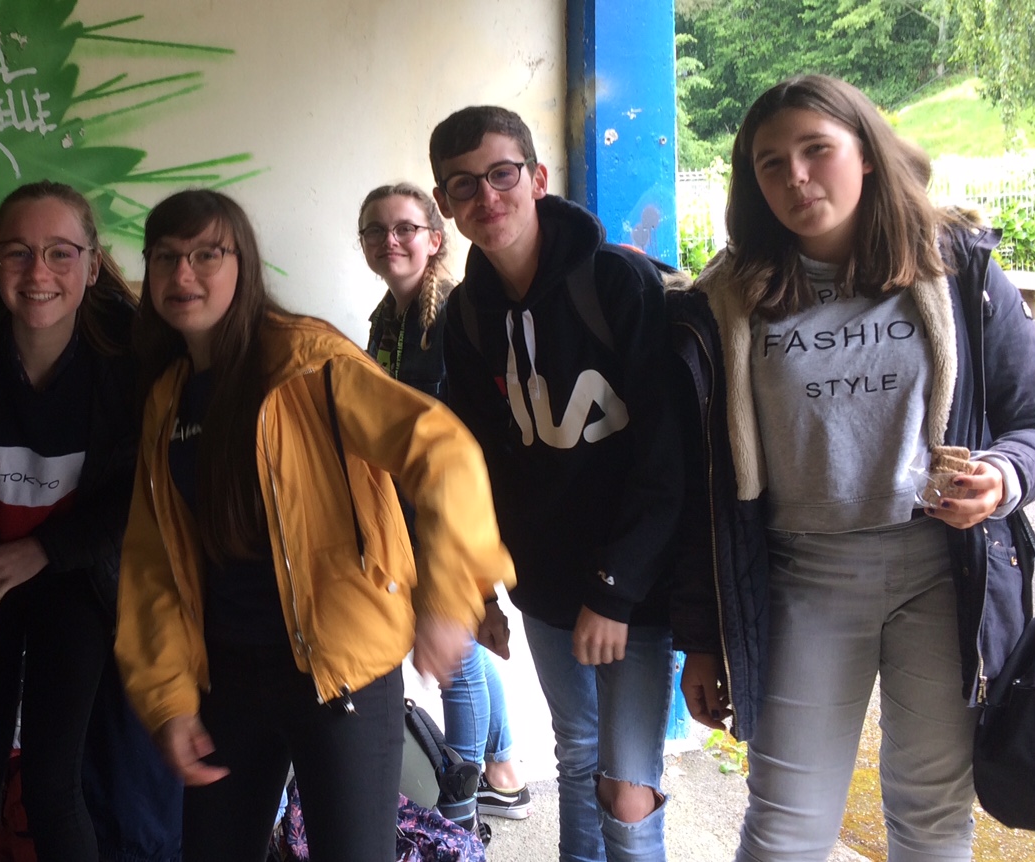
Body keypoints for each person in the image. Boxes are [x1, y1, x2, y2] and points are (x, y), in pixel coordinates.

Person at [673, 74, 1035, 862]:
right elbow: (703, 491)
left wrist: (1004, 477)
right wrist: (701, 636)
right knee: (785, 827)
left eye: (817, 150)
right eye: (771, 163)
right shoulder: (727, 301)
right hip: (803, 577)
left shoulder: (960, 270)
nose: (796, 177)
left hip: (943, 573)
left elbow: (1029, 416)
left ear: (867, 153)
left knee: (932, 817)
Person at [114, 188, 515, 862]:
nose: (183, 273)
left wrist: (449, 600)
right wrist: (169, 699)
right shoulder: (167, 396)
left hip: (341, 673)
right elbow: (152, 562)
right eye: (166, 257)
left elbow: (443, 452)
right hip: (227, 677)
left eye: (207, 254)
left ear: (242, 264)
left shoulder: (308, 364)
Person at [428, 105, 682, 862]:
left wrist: (615, 590)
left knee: (627, 787)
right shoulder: (467, 316)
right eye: (464, 184)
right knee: (577, 755)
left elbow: (668, 454)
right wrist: (478, 588)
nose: (487, 196)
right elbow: (474, 465)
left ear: (537, 178)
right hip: (543, 584)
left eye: (502, 174)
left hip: (633, 584)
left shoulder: (619, 282)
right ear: (446, 203)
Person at [0, 181, 182, 862]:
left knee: (52, 777)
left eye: (60, 253)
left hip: (79, 578)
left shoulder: (135, 358)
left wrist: (44, 549)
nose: (37, 272)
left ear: (93, 265)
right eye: (18, 252)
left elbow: (146, 489)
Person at [357, 181, 531, 820]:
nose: (389, 240)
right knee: (470, 647)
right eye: (375, 230)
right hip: (410, 512)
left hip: (453, 515)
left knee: (456, 660)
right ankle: (503, 772)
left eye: (404, 228)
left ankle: (456, 814)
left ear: (435, 239)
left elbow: (468, 433)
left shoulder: (453, 317)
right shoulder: (386, 320)